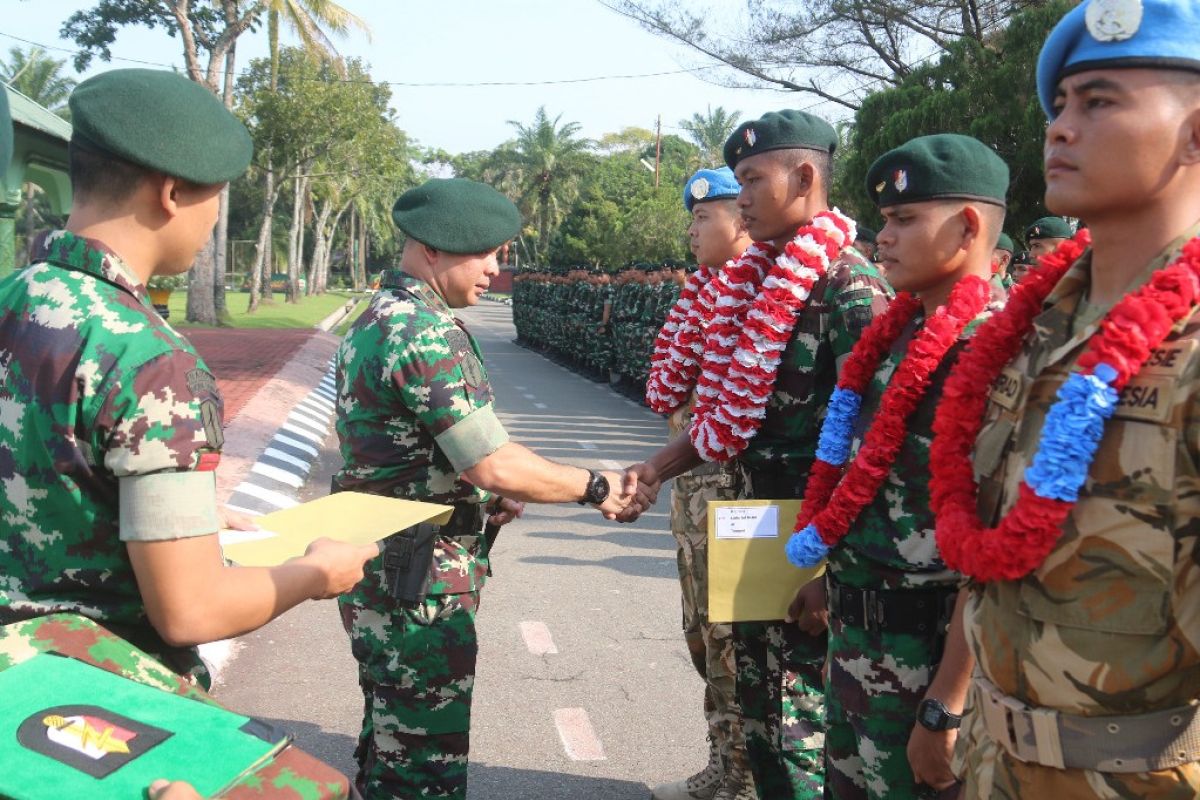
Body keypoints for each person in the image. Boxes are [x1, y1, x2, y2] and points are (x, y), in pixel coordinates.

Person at [0, 68, 377, 687]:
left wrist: (176, 511)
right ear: (172, 193)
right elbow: (190, 609)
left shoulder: (17, 294)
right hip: (97, 705)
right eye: (217, 196)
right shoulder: (150, 360)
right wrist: (317, 573)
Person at [931, 1, 1200, 794]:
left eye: (1101, 101)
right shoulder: (1032, 328)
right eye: (1059, 106)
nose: (1060, 128)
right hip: (994, 761)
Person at [333, 177, 647, 800]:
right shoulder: (423, 331)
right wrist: (596, 486)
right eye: (486, 254)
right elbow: (492, 463)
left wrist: (475, 499)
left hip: (387, 559)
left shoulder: (376, 318)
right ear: (433, 250)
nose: (496, 271)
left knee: (392, 733)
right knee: (424, 763)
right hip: (417, 578)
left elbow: (408, 452)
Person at [627, 109, 892, 799]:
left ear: (804, 177)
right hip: (753, 534)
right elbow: (725, 418)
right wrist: (656, 468)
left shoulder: (848, 288)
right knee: (759, 720)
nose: (741, 200)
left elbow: (882, 445)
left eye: (751, 180)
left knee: (803, 732)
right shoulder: (754, 284)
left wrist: (832, 571)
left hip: (810, 552)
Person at [786, 133, 1009, 800]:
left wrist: (946, 704)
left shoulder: (993, 355)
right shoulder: (896, 335)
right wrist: (830, 579)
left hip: (928, 652)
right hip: (859, 635)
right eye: (883, 220)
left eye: (905, 220)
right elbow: (871, 473)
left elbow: (991, 550)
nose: (882, 237)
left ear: (968, 228)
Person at [647, 166, 757, 800]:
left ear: (741, 219)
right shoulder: (704, 292)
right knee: (701, 631)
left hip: (737, 493)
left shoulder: (761, 299)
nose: (691, 231)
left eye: (703, 217)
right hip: (696, 490)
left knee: (734, 636)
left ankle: (745, 775)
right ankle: (722, 759)